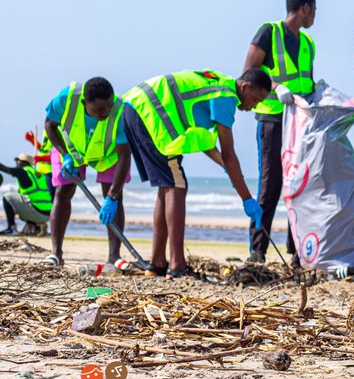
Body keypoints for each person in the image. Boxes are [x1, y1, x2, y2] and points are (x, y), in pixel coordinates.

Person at [123, 69, 271, 277]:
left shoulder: (218, 86)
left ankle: (156, 264)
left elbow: (209, 147)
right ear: (244, 87)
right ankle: (177, 265)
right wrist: (247, 198)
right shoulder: (225, 96)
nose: (253, 106)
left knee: (168, 185)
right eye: (255, 99)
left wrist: (230, 171)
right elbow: (228, 153)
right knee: (177, 185)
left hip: (136, 106)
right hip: (151, 111)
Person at [241, 0, 317, 263]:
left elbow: (307, 80)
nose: (315, 18)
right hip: (273, 118)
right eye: (315, 11)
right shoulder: (268, 32)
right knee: (270, 184)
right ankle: (257, 251)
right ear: (306, 7)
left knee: (298, 183)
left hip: (300, 122)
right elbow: (248, 75)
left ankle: (296, 251)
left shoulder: (308, 43)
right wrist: (276, 86)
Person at [42, 78, 134, 267]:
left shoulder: (120, 110)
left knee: (115, 196)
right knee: (63, 193)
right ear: (85, 102)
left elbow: (124, 155)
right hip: (70, 149)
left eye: (108, 107)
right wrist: (65, 155)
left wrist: (113, 197)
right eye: (100, 110)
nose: (106, 112)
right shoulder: (65, 99)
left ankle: (114, 256)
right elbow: (50, 125)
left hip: (106, 152)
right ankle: (56, 254)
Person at [0, 153, 51, 236]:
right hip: (48, 214)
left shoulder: (23, 171)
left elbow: (5, 169)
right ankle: (37, 228)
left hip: (36, 212)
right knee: (25, 200)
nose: (16, 163)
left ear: (24, 162)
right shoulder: (38, 173)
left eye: (17, 161)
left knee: (7, 197)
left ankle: (11, 229)